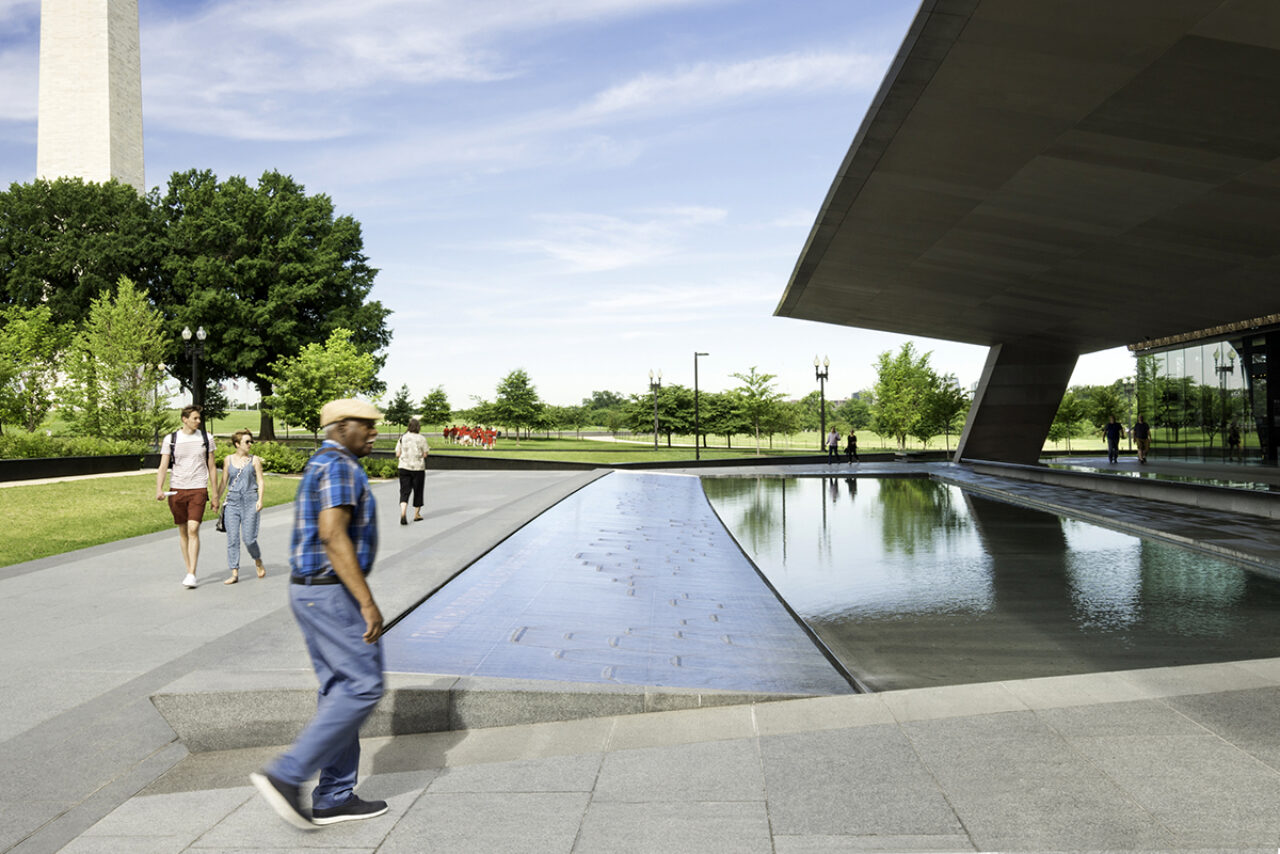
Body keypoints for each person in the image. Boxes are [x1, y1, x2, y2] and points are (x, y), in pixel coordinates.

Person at [251, 399, 388, 829]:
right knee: (364, 685)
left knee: (339, 689)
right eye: (365, 425)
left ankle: (334, 796)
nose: (373, 432)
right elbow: (332, 536)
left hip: (309, 591)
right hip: (330, 593)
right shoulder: (342, 466)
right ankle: (287, 775)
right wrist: (366, 602)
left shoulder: (320, 462)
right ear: (341, 426)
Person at [156, 405, 219, 589]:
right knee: (183, 531)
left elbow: (212, 467)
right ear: (184, 419)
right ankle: (188, 569)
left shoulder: (207, 438)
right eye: (195, 418)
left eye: (199, 418)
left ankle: (192, 573)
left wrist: (215, 495)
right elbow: (163, 466)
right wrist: (159, 488)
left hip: (198, 489)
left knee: (193, 529)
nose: (198, 421)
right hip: (177, 490)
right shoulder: (171, 439)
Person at [217, 429, 267, 584]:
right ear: (237, 444)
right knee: (232, 539)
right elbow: (224, 481)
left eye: (251, 441)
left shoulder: (254, 460)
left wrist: (260, 499)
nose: (250, 444)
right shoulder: (228, 460)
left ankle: (257, 560)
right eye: (247, 442)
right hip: (232, 502)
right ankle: (234, 573)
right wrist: (216, 499)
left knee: (249, 539)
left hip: (250, 501)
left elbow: (260, 481)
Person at [394, 417, 429, 525]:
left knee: (404, 491)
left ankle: (403, 512)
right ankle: (416, 515)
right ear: (418, 427)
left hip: (404, 467)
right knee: (418, 491)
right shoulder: (422, 438)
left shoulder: (402, 437)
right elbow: (425, 454)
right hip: (418, 468)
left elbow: (397, 454)